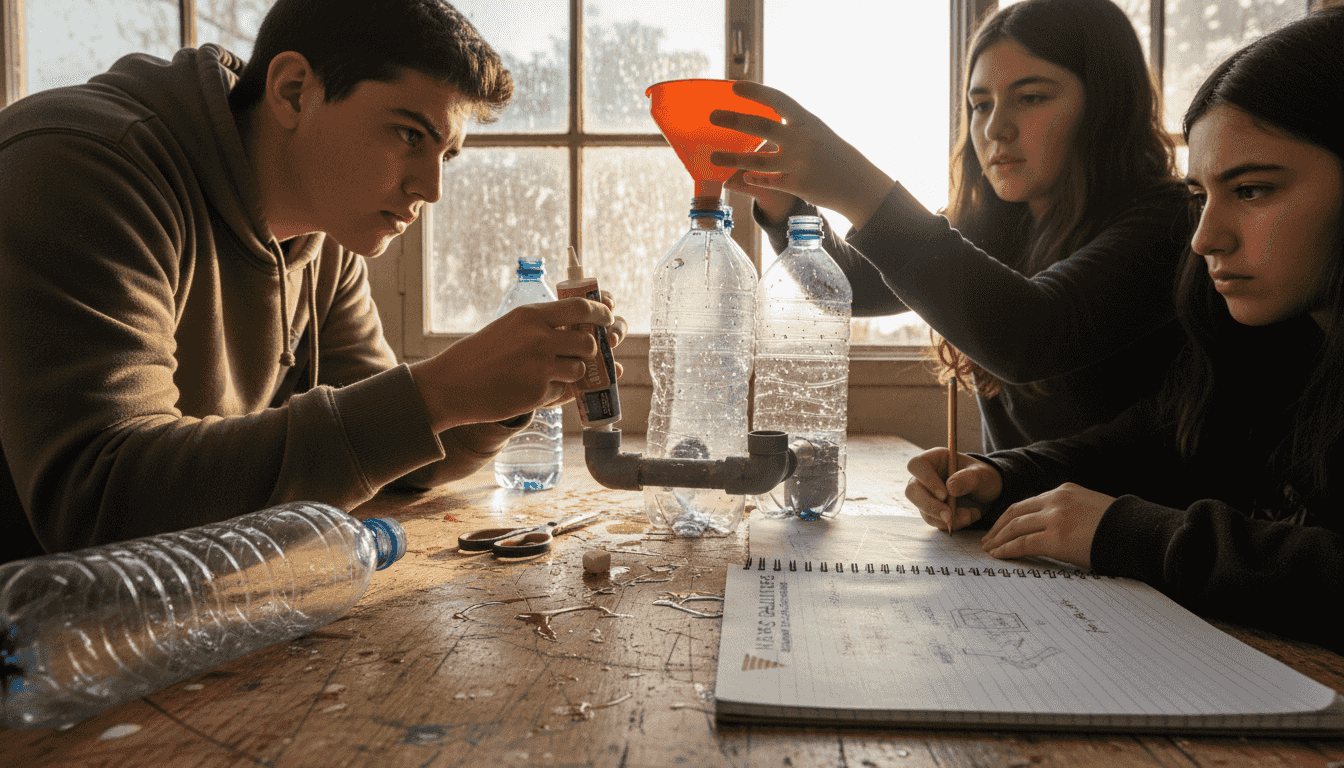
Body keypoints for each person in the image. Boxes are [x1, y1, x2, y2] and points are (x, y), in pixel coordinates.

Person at [0, 0, 625, 563]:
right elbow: (98, 501)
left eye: (446, 155)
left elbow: (388, 459)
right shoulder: (82, 166)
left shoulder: (322, 231)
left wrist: (509, 394)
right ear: (295, 90)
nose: (429, 189)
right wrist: (438, 390)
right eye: (410, 135)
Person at [903, 7, 1344, 652]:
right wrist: (1005, 478)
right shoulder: (1278, 338)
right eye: (1201, 196)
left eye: (1251, 191)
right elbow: (1159, 443)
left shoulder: (1145, 230)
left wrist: (1126, 533)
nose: (1204, 238)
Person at [709, 0, 1190, 452]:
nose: (996, 128)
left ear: (1106, 104)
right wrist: (783, 203)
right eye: (980, 104)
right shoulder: (997, 226)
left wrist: (859, 188)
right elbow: (848, 286)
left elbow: (1032, 335)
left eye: (1032, 97)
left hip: (1137, 537)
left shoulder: (1170, 225)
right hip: (1016, 529)